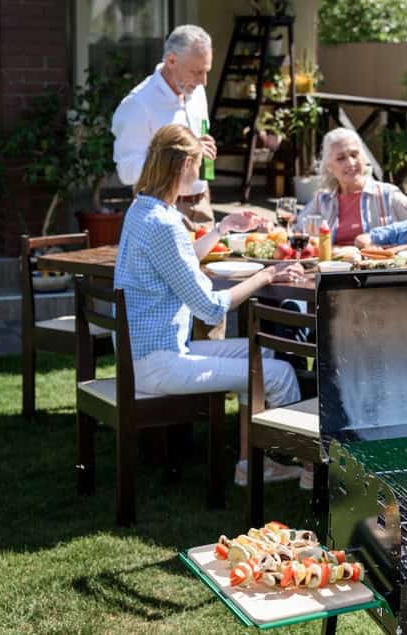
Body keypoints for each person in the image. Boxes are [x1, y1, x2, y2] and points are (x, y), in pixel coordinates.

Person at [114, 124, 306, 487]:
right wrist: (267, 276)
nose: (200, 173)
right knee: (279, 374)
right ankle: (296, 460)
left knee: (263, 359)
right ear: (185, 163)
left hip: (149, 353)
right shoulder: (164, 223)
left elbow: (179, 260)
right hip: (158, 364)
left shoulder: (143, 210)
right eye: (199, 164)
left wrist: (222, 229)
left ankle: (252, 466)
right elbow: (210, 308)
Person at [112, 25, 218, 231]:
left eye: (206, 72)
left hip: (203, 204)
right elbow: (126, 172)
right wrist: (184, 154)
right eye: (197, 72)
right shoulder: (138, 103)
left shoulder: (196, 92)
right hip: (163, 212)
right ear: (171, 61)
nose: (203, 82)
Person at [299, 128, 407, 246]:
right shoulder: (322, 200)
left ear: (363, 158)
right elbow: (297, 229)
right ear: (329, 167)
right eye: (341, 158)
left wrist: (384, 236)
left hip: (378, 262)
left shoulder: (387, 194)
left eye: (354, 155)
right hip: (332, 263)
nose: (350, 163)